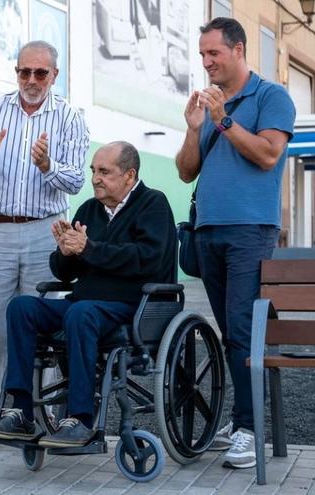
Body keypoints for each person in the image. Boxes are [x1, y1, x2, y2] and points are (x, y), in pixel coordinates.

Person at [0, 142, 176, 447]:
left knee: (80, 312)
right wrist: (65, 251)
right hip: (84, 306)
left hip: (132, 307)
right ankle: (20, 411)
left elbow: (146, 259)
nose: (95, 178)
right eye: (93, 171)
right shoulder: (89, 209)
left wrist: (89, 248)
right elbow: (64, 273)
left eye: (104, 171)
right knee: (21, 307)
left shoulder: (153, 204)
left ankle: (81, 419)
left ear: (129, 175)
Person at [175, 17, 295, 469]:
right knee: (230, 333)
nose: (206, 63)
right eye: (202, 55)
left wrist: (223, 119)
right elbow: (187, 171)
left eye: (214, 54)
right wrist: (194, 127)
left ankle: (248, 429)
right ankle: (241, 419)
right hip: (209, 231)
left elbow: (267, 155)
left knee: (243, 329)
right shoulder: (208, 105)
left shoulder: (270, 96)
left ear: (238, 49)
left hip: (250, 231)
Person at [0, 40, 89, 437]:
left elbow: (75, 181)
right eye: (24, 72)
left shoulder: (69, 117)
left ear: (55, 75)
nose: (31, 80)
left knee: (43, 320)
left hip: (45, 229)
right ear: (16, 71)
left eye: (40, 73)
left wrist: (47, 166)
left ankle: (42, 408)